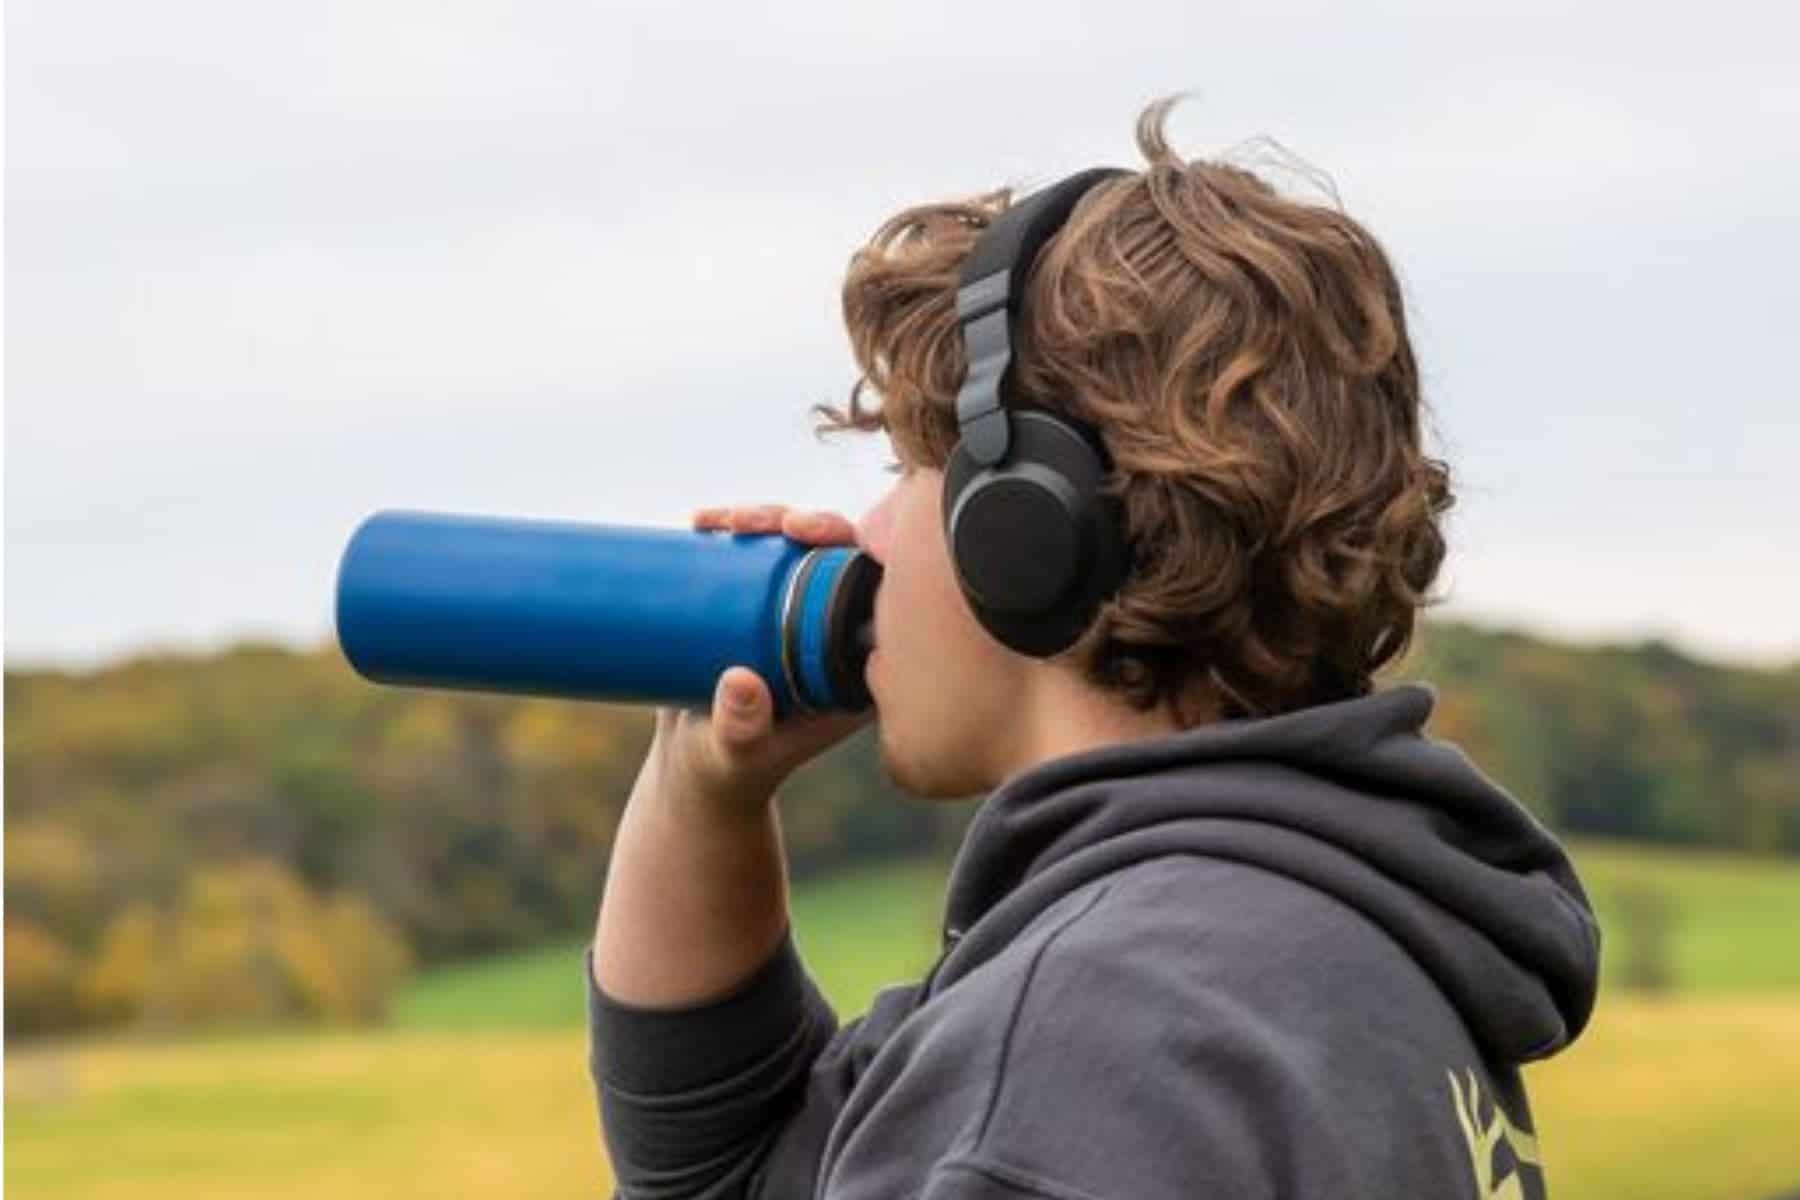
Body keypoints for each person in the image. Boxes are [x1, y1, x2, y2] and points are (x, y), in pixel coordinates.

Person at [583, 95, 1600, 1200]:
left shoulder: (1093, 1039)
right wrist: (704, 794)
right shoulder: (1335, 949)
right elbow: (730, 1172)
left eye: (906, 472)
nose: (867, 538)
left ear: (1020, 528)